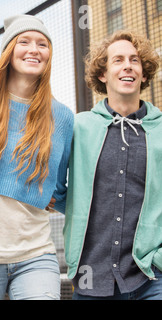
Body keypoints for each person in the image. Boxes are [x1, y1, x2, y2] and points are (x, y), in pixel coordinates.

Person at [0, 15, 73, 300]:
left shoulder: (63, 117)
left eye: (42, 44)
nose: (34, 49)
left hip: (36, 254)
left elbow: (58, 187)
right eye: (25, 41)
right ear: (8, 50)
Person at [64, 30, 162, 300]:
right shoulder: (79, 127)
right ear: (103, 74)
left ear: (143, 74)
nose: (128, 65)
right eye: (117, 60)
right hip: (91, 278)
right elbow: (60, 190)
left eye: (135, 60)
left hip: (151, 277)